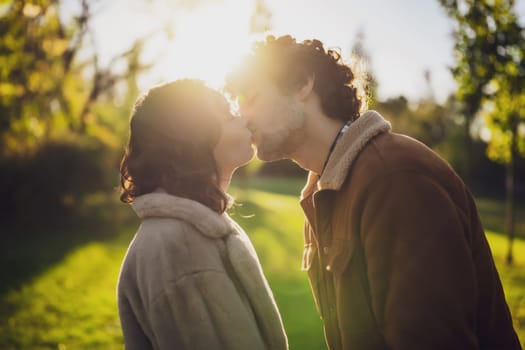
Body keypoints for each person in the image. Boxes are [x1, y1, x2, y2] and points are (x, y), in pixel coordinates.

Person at [225, 35, 521, 350]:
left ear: (301, 83)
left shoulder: (395, 179)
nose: (243, 116)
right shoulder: (323, 192)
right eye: (237, 105)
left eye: (252, 97)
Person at [117, 79, 288, 350]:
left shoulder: (194, 229)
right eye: (230, 115)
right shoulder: (180, 248)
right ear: (193, 136)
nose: (244, 119)